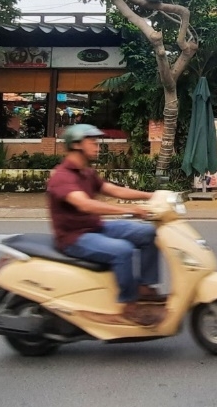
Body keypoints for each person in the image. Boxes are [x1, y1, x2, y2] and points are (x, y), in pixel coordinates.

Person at [47, 124, 166, 327]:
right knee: (123, 250)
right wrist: (131, 210)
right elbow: (85, 204)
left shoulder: (86, 172)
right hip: (74, 238)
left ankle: (144, 287)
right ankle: (128, 306)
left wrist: (152, 195)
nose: (97, 146)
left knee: (148, 233)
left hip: (95, 228)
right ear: (76, 145)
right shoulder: (63, 177)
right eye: (92, 142)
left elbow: (113, 190)